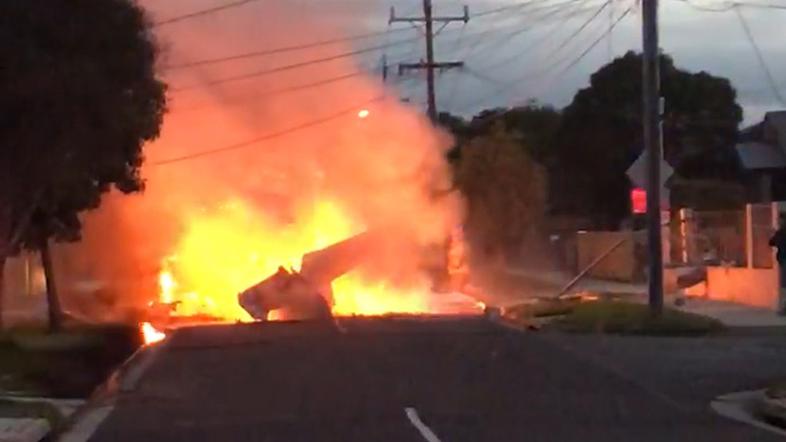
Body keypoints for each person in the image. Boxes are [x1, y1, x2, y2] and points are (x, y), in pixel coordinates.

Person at [770, 215, 786, 314]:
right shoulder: (780, 232)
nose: (779, 222)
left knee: (784, 285)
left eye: (780, 220)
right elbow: (771, 242)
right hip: (783, 260)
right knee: (783, 285)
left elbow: (772, 242)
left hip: (784, 260)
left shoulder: (781, 232)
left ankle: (784, 307)